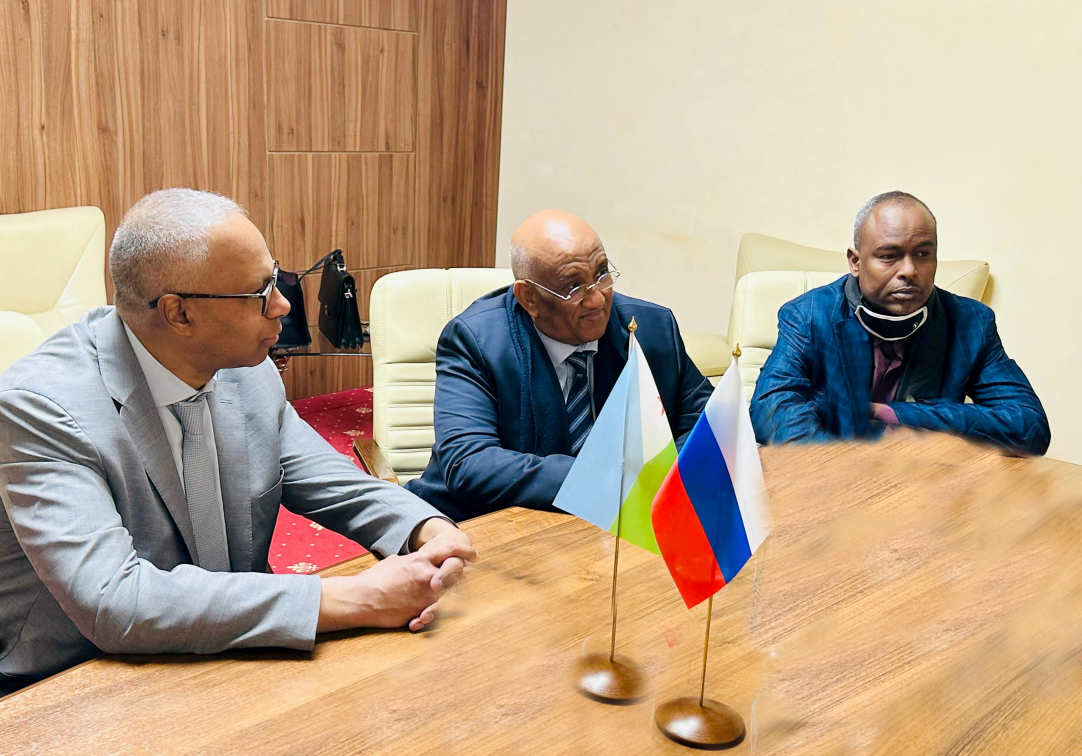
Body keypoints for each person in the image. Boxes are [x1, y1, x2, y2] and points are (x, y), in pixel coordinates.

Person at [0, 189, 476, 694]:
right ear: (179, 314)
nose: (282, 305)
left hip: (236, 652)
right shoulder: (42, 408)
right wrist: (355, 597)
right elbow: (115, 602)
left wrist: (424, 527)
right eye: (259, 292)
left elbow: (331, 480)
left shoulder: (245, 367)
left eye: (276, 278)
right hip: (74, 681)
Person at [405, 210, 714, 521]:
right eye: (573, 287)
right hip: (482, 523)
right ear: (529, 298)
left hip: (612, 527)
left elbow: (712, 423)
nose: (597, 300)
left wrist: (662, 476)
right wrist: (609, 480)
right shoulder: (476, 341)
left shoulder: (651, 327)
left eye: (601, 274)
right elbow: (469, 463)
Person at [750, 190, 1050, 455]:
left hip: (920, 480)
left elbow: (1029, 426)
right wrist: (850, 465)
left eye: (923, 254)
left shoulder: (972, 322)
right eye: (889, 256)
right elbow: (770, 411)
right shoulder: (808, 314)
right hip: (827, 478)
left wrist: (897, 415)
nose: (909, 270)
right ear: (856, 262)